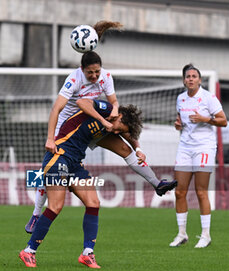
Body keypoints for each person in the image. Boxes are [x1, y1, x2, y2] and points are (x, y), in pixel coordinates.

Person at [25, 21, 177, 234]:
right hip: (69, 128)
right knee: (47, 169)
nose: (94, 77)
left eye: (96, 72)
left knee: (126, 149)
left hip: (92, 122)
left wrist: (118, 118)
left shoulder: (105, 76)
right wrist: (51, 137)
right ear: (82, 70)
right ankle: (35, 214)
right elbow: (57, 109)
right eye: (90, 73)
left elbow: (116, 104)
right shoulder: (73, 80)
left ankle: (157, 183)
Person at [19, 99, 144, 268]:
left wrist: (137, 149)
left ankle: (87, 253)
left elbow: (127, 138)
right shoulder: (102, 108)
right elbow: (81, 102)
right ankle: (29, 250)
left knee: (93, 203)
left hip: (75, 163)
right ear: (119, 116)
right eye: (119, 129)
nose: (115, 132)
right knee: (55, 206)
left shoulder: (110, 122)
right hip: (59, 156)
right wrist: (103, 120)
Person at [169, 64, 227, 248]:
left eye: (194, 76)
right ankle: (181, 234)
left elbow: (223, 121)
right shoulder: (180, 99)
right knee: (179, 191)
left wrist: (205, 119)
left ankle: (205, 235)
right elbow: (181, 121)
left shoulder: (208, 98)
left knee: (201, 191)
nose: (191, 79)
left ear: (200, 80)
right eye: (188, 76)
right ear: (184, 80)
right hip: (185, 147)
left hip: (204, 147)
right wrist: (178, 124)